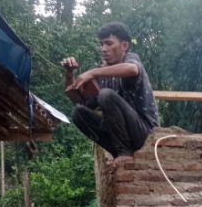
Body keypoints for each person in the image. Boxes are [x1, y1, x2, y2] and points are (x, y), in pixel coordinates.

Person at [61, 22, 159, 161]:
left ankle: (124, 152)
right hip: (120, 136)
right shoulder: (101, 73)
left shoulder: (131, 59)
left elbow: (132, 69)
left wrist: (93, 72)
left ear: (124, 45)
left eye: (109, 43)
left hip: (145, 133)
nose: (104, 49)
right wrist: (70, 73)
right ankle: (119, 152)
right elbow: (80, 101)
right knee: (78, 113)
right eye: (102, 44)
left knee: (106, 94)